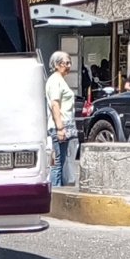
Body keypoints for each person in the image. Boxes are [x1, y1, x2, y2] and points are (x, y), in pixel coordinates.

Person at [45, 51, 75, 187]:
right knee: (57, 163)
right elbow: (55, 104)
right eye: (66, 63)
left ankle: (61, 191)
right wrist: (60, 128)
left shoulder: (60, 80)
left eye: (69, 63)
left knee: (63, 162)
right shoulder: (54, 80)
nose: (68, 66)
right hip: (59, 126)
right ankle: (56, 194)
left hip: (65, 125)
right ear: (57, 65)